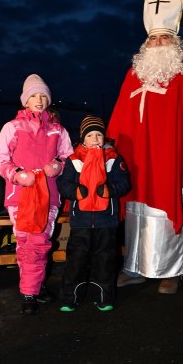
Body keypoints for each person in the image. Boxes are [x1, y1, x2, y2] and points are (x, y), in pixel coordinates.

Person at [106, 0, 183, 294]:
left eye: (164, 38)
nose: (158, 43)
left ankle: (171, 270)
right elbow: (118, 120)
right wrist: (110, 154)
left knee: (167, 210)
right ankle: (134, 267)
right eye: (153, 38)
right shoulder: (134, 74)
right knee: (136, 213)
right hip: (137, 162)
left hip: (172, 158)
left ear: (176, 43)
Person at [0, 74, 73, 315]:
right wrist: (16, 174)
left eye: (43, 96)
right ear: (25, 101)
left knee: (40, 243)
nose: (39, 100)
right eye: (34, 96)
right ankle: (30, 292)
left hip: (49, 196)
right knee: (29, 245)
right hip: (21, 196)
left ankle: (35, 287)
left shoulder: (58, 130)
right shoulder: (12, 127)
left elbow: (69, 157)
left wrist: (58, 165)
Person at [56, 115, 130, 312]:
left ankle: (104, 297)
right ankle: (69, 297)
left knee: (104, 260)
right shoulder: (74, 160)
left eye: (99, 134)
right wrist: (75, 192)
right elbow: (63, 183)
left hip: (106, 220)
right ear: (82, 139)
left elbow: (124, 183)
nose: (96, 138)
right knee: (76, 259)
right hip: (81, 220)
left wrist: (110, 189)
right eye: (91, 135)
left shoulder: (114, 159)